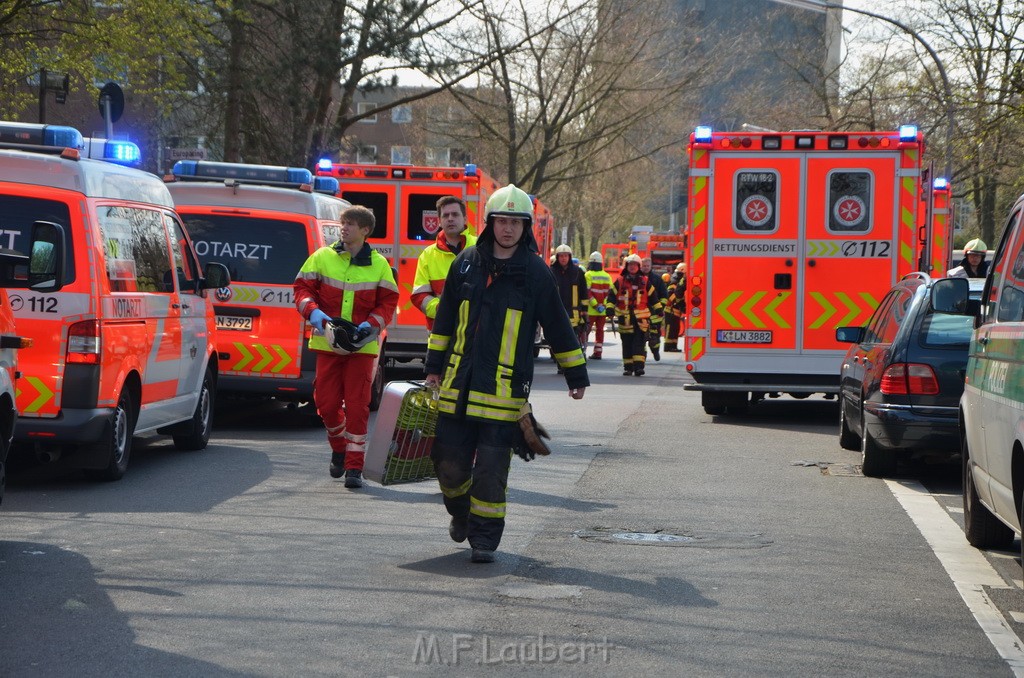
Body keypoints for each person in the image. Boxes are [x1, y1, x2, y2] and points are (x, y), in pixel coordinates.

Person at [424, 184, 589, 564]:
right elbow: (445, 320)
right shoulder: (464, 262)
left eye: (517, 222)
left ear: (526, 227)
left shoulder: (535, 272)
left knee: (491, 474)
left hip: (504, 392)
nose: (509, 229)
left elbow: (558, 324)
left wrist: (575, 375)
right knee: (448, 466)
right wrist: (433, 368)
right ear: (490, 223)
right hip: (457, 387)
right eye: (502, 221)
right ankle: (461, 513)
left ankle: (484, 540)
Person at [294, 205, 398, 488]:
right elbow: (302, 289)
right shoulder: (322, 257)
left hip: (361, 349)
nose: (344, 228)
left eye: (351, 224)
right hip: (327, 343)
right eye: (343, 223)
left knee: (357, 406)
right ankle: (339, 447)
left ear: (365, 230)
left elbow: (388, 303)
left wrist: (371, 325)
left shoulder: (379, 265)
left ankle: (354, 466)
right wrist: (314, 314)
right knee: (326, 405)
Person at [411, 196, 477, 330]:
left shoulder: (480, 247)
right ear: (439, 222)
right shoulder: (428, 255)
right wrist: (442, 309)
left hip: (475, 329)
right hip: (441, 331)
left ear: (465, 219)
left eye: (455, 214)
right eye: (445, 215)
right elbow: (419, 296)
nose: (450, 218)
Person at [611, 253, 663, 376]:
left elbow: (653, 298)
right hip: (625, 319)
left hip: (641, 320)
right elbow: (611, 296)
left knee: (638, 344)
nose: (632, 267)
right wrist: (609, 308)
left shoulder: (645, 282)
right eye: (630, 265)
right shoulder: (619, 281)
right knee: (627, 344)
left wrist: (659, 309)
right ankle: (628, 367)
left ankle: (639, 367)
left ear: (638, 266)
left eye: (635, 265)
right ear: (626, 266)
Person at [550, 244, 588, 371]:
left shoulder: (578, 272)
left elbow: (584, 294)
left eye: (566, 256)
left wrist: (584, 313)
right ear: (557, 257)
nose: (563, 258)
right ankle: (561, 365)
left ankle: (573, 365)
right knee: (559, 341)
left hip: (574, 315)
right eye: (561, 256)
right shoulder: (551, 272)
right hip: (556, 314)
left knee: (573, 341)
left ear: (570, 257)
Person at [584, 251, 613, 359]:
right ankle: (598, 352)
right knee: (600, 331)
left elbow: (587, 292)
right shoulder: (607, 276)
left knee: (585, 331)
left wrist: (595, 305)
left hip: (591, 310)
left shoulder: (588, 275)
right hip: (603, 311)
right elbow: (609, 294)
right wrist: (603, 305)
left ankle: (583, 350)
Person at [641, 256, 669, 361]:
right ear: (640, 266)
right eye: (644, 266)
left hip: (655, 315)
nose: (646, 268)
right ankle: (641, 357)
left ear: (651, 266)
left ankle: (655, 351)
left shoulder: (657, 279)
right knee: (641, 338)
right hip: (641, 313)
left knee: (654, 338)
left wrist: (660, 308)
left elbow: (664, 295)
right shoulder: (636, 278)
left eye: (648, 266)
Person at [664, 262, 687, 352]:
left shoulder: (677, 277)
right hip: (671, 309)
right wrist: (678, 302)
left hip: (674, 309)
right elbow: (670, 293)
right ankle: (668, 346)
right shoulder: (675, 279)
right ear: (682, 270)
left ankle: (673, 346)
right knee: (670, 329)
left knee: (675, 329)